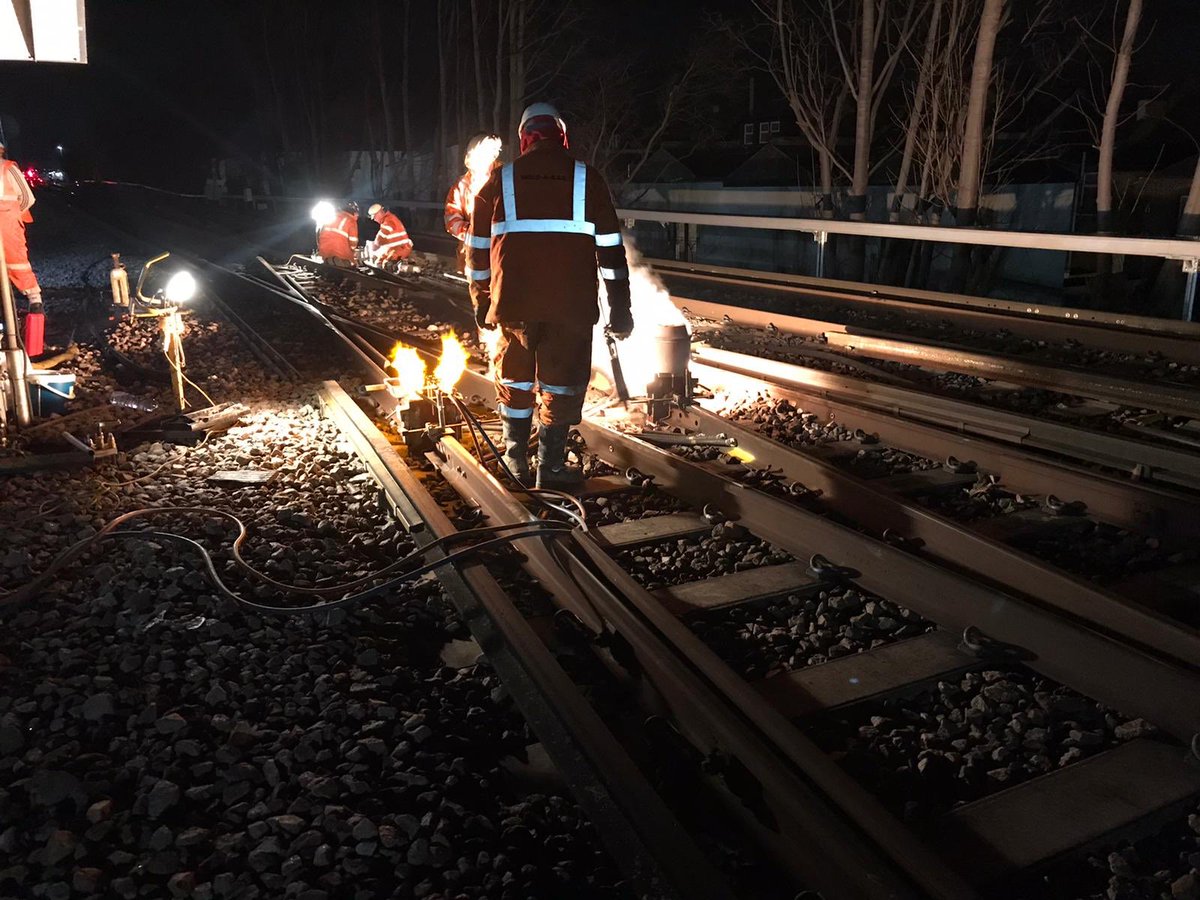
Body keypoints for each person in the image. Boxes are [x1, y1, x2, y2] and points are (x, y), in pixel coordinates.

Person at [467, 102, 633, 488]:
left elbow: (476, 252)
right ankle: (551, 467)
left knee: (516, 379)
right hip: (570, 307)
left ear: (524, 137)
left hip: (513, 305)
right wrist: (620, 307)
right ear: (562, 136)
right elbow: (610, 250)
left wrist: (481, 299)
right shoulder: (587, 179)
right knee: (560, 384)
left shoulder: (500, 179)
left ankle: (515, 461)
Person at [445, 134, 502, 273]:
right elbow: (451, 218)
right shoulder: (462, 186)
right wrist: (472, 232)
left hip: (499, 251)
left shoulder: (504, 180)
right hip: (470, 254)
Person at [0, 141, 41, 315]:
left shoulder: (7, 168)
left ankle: (34, 301)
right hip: (7, 223)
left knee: (17, 261)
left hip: (8, 225)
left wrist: (12, 214)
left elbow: (26, 198)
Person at [365, 203, 413, 270]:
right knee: (378, 262)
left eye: (374, 217)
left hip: (400, 250)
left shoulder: (388, 222)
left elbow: (378, 241)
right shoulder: (390, 218)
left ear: (379, 214)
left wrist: (373, 246)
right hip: (396, 248)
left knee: (383, 264)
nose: (374, 220)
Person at [317, 200, 359, 267]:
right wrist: (353, 250)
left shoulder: (331, 216)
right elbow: (353, 242)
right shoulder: (351, 221)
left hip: (325, 254)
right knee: (350, 267)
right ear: (355, 212)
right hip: (341, 256)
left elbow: (320, 234)